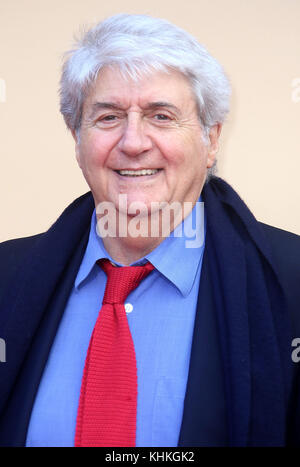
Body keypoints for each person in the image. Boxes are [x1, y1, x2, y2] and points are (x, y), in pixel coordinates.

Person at [0, 13, 300, 448]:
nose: (133, 142)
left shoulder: (291, 283)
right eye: (108, 117)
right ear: (77, 138)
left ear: (211, 140)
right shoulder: (7, 279)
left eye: (161, 116)